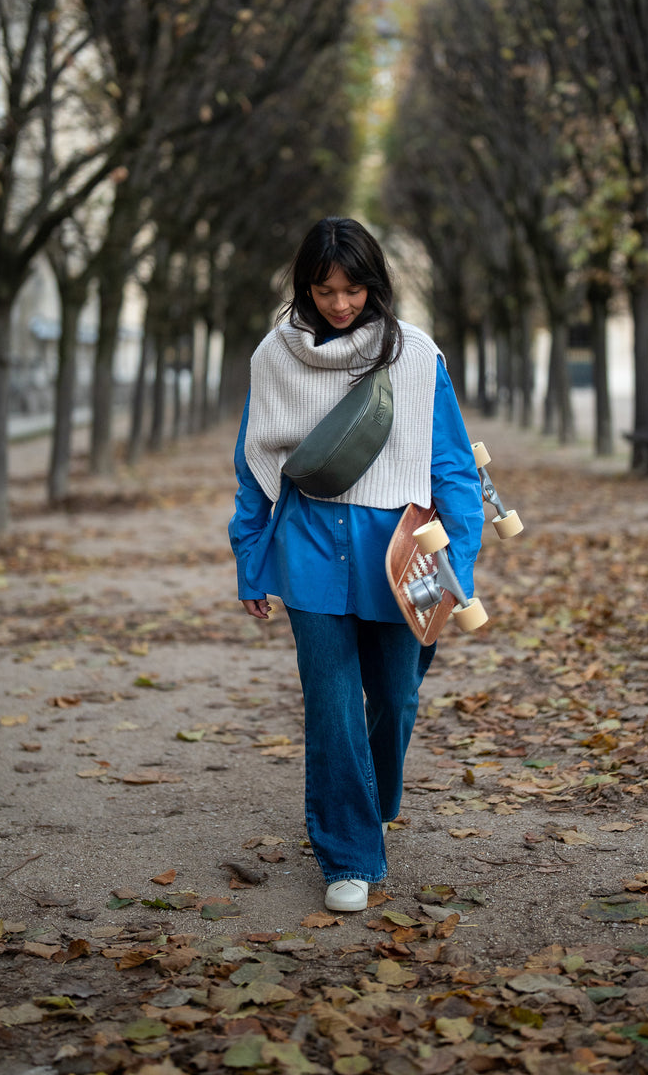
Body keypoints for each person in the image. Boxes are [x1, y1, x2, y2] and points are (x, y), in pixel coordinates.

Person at [228, 217, 485, 912]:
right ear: (304, 287)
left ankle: (370, 802)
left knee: (396, 696)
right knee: (333, 706)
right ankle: (349, 855)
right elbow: (256, 468)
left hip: (403, 551)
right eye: (324, 288)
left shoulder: (417, 355)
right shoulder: (273, 359)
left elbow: (454, 468)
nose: (340, 303)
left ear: (375, 284)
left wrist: (458, 560)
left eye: (353, 288)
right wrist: (252, 562)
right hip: (309, 545)